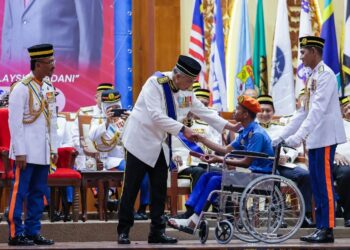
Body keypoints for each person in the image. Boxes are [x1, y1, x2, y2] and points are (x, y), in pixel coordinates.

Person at [117, 55, 241, 244]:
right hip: (139, 142)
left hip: (161, 145)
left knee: (159, 190)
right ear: (178, 76)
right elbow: (156, 116)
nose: (192, 85)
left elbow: (203, 111)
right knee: (131, 188)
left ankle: (157, 233)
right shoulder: (155, 84)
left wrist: (229, 126)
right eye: (190, 80)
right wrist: (183, 129)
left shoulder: (186, 91)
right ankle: (123, 231)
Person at [272, 36, 346, 243]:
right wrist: (282, 136)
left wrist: (298, 138)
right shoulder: (312, 76)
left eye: (303, 53)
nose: (301, 57)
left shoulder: (326, 76)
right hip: (315, 139)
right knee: (316, 183)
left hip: (324, 137)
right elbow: (302, 113)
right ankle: (320, 226)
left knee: (324, 184)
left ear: (314, 52)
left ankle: (327, 228)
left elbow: (317, 111)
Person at [168, 95, 273, 230]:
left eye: (237, 109)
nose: (234, 111)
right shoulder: (246, 131)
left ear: (245, 114)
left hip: (259, 177)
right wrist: (202, 139)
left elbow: (246, 163)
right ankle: (190, 212)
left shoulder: (256, 134)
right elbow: (225, 149)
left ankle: (193, 221)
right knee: (207, 175)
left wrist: (218, 159)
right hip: (250, 175)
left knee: (215, 181)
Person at [7, 44, 58, 246]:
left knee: (38, 193)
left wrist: (53, 148)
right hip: (25, 152)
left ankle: (33, 231)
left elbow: (52, 121)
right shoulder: (21, 88)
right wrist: (19, 151)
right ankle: (15, 233)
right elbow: (15, 123)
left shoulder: (47, 87)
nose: (53, 66)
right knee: (19, 193)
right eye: (50, 63)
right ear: (38, 65)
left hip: (43, 152)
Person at [256, 94, 314, 228]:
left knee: (305, 175)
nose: (264, 113)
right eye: (261, 110)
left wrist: (287, 157)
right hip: (261, 166)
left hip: (282, 164)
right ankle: (277, 216)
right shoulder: (252, 128)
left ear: (273, 112)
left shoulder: (281, 128)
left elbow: (292, 148)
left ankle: (305, 215)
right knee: (274, 175)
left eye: (268, 110)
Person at [1, 0, 103, 70]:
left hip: (61, 70)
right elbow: (9, 28)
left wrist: (87, 79)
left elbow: (91, 34)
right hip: (16, 71)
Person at [333, 96, 350, 227]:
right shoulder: (335, 124)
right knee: (346, 173)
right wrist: (335, 154)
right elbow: (326, 144)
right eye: (347, 108)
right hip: (339, 162)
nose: (349, 111)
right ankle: (348, 213)